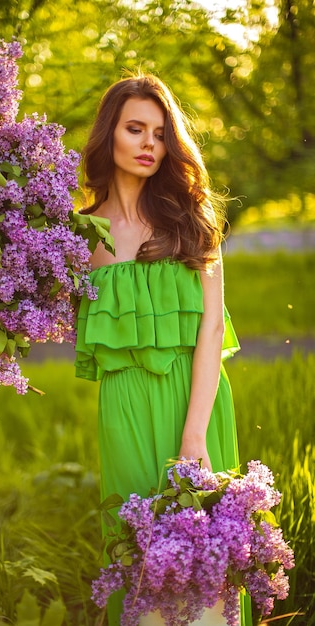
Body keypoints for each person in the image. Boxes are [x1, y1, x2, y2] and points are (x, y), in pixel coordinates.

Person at [74, 73, 252, 626]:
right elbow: (11, 306)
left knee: (206, 568)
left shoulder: (192, 223)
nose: (149, 143)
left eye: (159, 132)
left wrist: (194, 435)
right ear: (111, 136)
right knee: (141, 563)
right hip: (124, 407)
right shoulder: (77, 235)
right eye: (135, 129)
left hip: (195, 402)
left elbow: (210, 336)